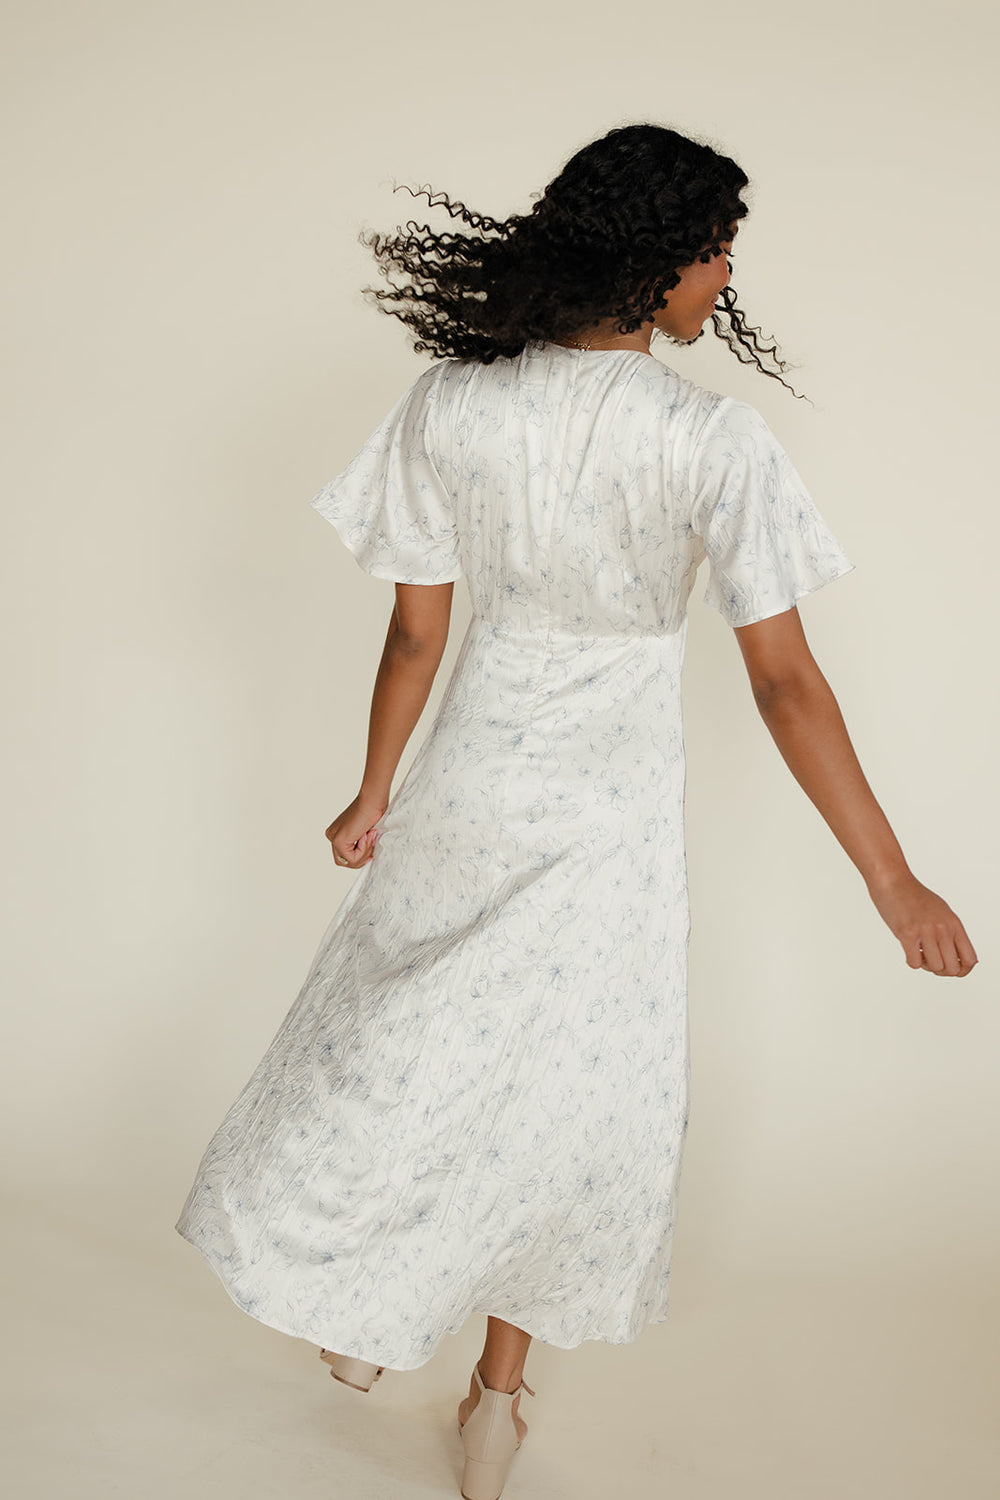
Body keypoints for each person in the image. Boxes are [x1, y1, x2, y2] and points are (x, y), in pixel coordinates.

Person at [175, 122, 978, 1500]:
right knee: (568, 1092)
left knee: (407, 1036)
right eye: (715, 252)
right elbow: (784, 683)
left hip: (474, 772)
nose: (723, 279)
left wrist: (374, 789)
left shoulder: (454, 400)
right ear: (658, 259)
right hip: (609, 806)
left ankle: (367, 1307)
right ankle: (493, 1400)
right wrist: (890, 880)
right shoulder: (707, 437)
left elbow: (416, 636)